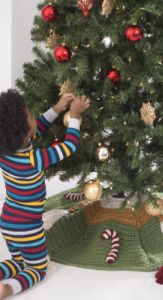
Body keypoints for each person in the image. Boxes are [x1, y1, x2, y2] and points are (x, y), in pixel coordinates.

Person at [0, 89, 90, 299]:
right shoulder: (35, 159)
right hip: (27, 226)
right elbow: (68, 147)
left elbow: (36, 128)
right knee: (37, 268)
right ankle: (7, 289)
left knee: (18, 261)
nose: (35, 116)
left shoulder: (5, 151)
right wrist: (74, 116)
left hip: (8, 221)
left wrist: (58, 108)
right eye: (31, 115)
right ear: (24, 134)